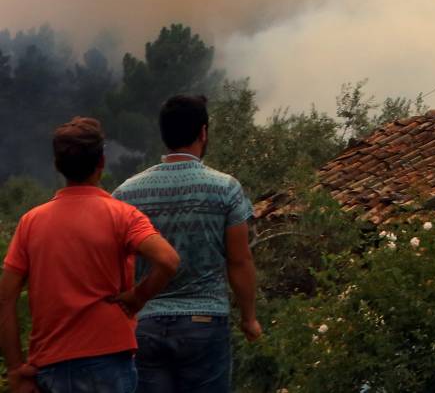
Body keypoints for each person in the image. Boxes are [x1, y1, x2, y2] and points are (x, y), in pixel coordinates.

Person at [0, 117, 181, 393]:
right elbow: (168, 260)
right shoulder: (122, 215)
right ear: (101, 163)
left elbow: (6, 297)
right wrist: (136, 297)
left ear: (58, 166)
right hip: (110, 361)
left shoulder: (30, 223)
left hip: (51, 364)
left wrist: (15, 368)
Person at [112, 95, 260, 393]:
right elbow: (239, 260)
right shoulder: (225, 189)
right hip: (205, 322)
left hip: (147, 326)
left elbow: (115, 263)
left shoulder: (126, 194)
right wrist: (249, 318)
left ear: (164, 134)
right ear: (203, 132)